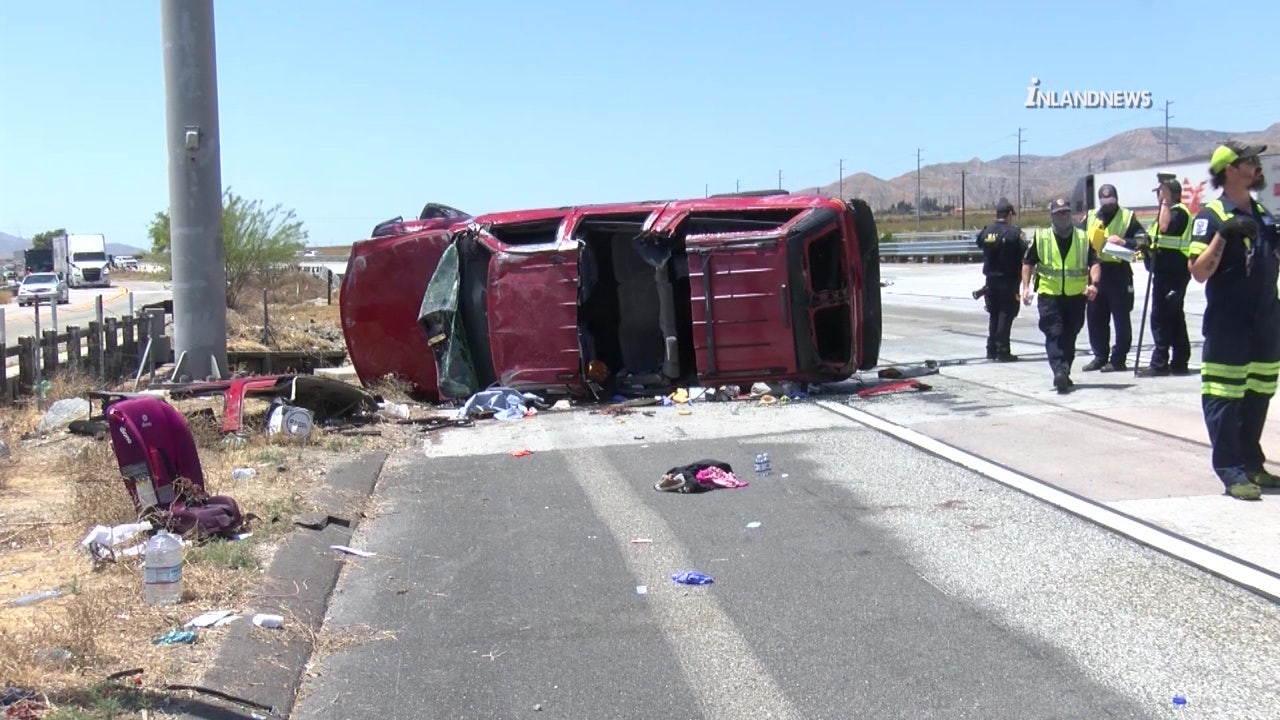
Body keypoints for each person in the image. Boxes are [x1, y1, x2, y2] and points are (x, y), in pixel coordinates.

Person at [1188, 140, 1279, 501]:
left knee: (1259, 391)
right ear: (1230, 169)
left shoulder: (1263, 213)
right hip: (1229, 322)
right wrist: (1223, 237)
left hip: (1266, 318)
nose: (1257, 166)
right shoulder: (1210, 216)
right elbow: (1197, 271)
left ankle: (1252, 462)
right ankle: (1231, 470)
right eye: (1250, 161)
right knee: (1224, 395)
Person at [1021, 197, 1101, 393]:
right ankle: (1059, 371)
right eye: (1058, 213)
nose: (1063, 217)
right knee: (1054, 332)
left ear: (1070, 214)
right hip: (1050, 295)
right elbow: (1028, 263)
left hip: (1075, 296)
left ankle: (1064, 371)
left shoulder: (1082, 238)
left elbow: (1095, 262)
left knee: (1070, 335)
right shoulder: (1042, 238)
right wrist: (1025, 287)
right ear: (1052, 216)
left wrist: (1094, 284)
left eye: (1066, 212)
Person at [1080, 184, 1149, 372]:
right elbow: (1078, 237)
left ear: (1116, 200)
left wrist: (1124, 241)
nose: (1107, 206)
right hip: (1096, 272)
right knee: (1095, 317)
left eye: (1111, 202)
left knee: (1121, 317)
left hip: (1119, 272)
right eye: (1104, 202)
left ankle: (1118, 359)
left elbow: (1144, 240)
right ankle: (1100, 356)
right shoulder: (1091, 216)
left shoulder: (1127, 217)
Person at [1137, 176, 1193, 376]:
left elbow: (1164, 228)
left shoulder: (1178, 213)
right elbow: (1158, 238)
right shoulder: (1170, 212)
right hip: (1164, 272)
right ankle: (1179, 361)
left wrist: (1166, 202)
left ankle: (1160, 363)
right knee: (1174, 318)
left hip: (1174, 274)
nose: (1158, 197)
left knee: (1160, 318)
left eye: (1160, 192)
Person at [974, 197, 1025, 361]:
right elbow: (1024, 252)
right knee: (1005, 314)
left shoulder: (986, 232)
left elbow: (979, 243)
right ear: (1009, 214)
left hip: (990, 281)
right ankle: (1002, 350)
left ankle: (991, 350)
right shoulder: (1013, 233)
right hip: (1008, 281)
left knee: (994, 315)